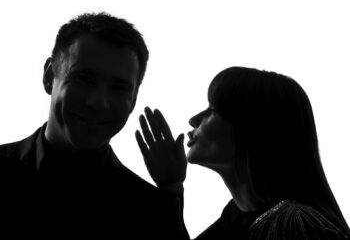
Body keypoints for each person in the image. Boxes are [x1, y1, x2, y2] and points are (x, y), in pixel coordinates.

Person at [0, 12, 189, 239]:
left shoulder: (152, 211)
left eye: (118, 88)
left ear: (134, 100)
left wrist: (172, 192)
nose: (98, 102)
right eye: (84, 79)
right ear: (50, 76)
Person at [136, 66, 350, 239]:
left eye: (213, 110)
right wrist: (171, 189)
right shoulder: (237, 215)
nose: (194, 119)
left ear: (252, 128)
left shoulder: (296, 228)